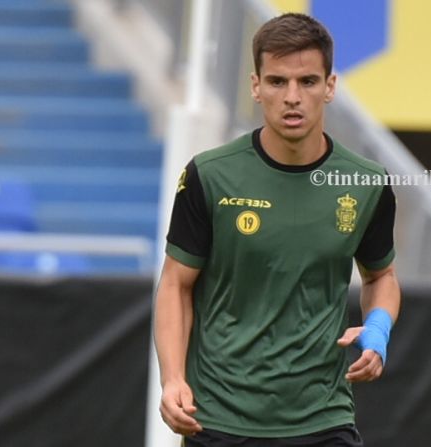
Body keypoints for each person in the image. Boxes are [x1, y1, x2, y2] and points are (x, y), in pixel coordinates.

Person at [153, 12, 400, 447]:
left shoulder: (366, 183)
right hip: (219, 420)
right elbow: (175, 284)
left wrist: (377, 330)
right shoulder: (209, 176)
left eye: (307, 81)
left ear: (330, 87)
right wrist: (173, 379)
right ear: (255, 86)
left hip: (323, 419)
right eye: (277, 81)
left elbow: (381, 276)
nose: (292, 97)